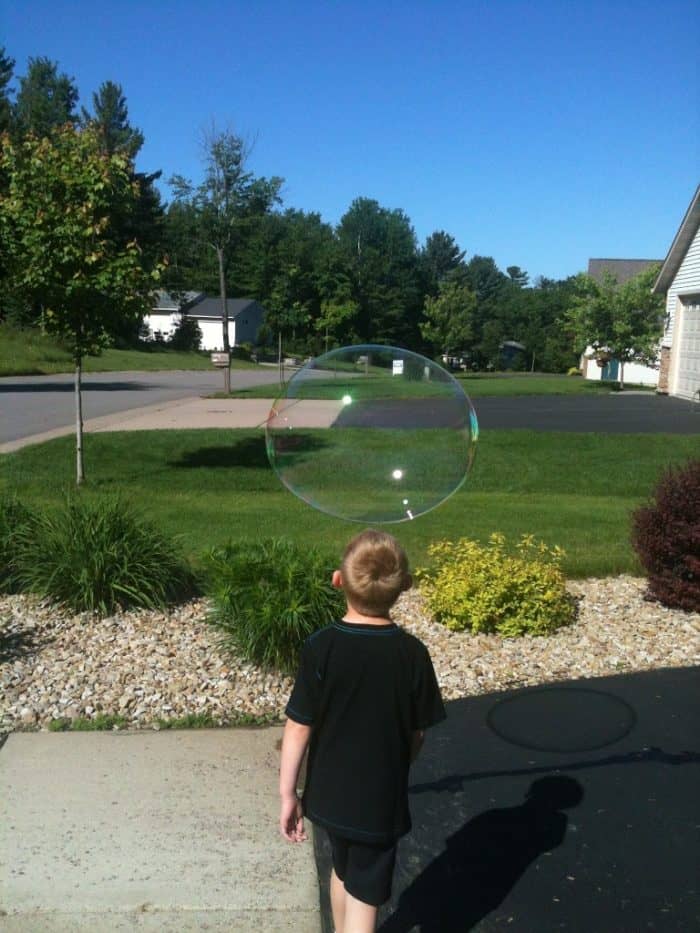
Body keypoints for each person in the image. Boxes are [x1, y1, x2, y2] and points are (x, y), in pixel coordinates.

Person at [279, 529, 446, 933]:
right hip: (378, 801)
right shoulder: (412, 654)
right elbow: (417, 733)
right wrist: (401, 759)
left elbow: (299, 725)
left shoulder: (321, 647)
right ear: (404, 586)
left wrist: (288, 793)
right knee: (365, 896)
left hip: (328, 794)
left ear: (339, 580)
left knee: (341, 871)